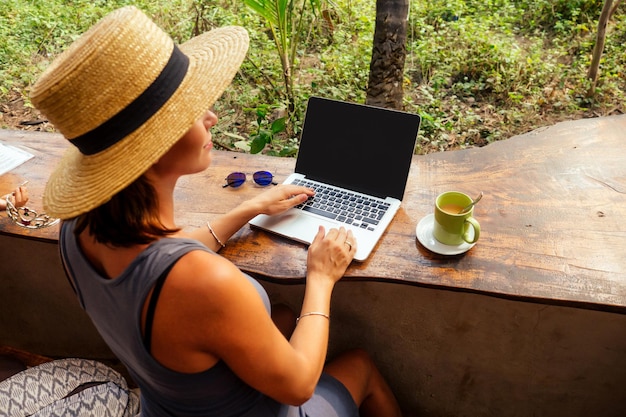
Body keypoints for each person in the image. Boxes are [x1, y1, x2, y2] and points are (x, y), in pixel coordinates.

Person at [30, 6, 402, 417]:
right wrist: (321, 276)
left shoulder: (76, 230)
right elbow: (298, 385)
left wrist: (249, 208)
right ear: (152, 145)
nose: (211, 116)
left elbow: (155, 267)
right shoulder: (205, 283)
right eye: (190, 111)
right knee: (361, 365)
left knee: (278, 315)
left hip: (169, 406)